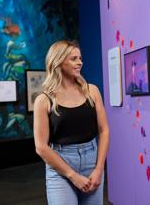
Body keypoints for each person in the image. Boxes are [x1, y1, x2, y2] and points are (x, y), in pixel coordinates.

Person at [33, 40, 109, 205]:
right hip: (60, 165)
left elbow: (104, 130)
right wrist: (72, 176)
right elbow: (41, 147)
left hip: (92, 160)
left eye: (80, 58)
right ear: (58, 62)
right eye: (73, 59)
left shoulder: (92, 91)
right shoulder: (44, 100)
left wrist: (99, 169)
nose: (80, 62)